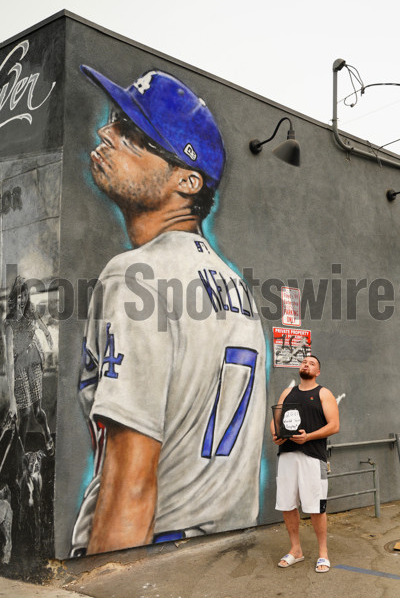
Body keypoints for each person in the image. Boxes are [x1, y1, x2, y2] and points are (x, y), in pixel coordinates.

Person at [70, 67, 267, 556]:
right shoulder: (235, 288)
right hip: (221, 559)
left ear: (187, 180)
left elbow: (129, 489)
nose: (106, 134)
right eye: (114, 121)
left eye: (133, 135)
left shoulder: (136, 277)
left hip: (150, 559)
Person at [270, 355, 339, 573]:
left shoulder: (323, 393)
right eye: (303, 362)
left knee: (316, 507)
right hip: (287, 455)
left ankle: (323, 554)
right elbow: (276, 420)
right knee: (287, 505)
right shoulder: (287, 392)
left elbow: (334, 425)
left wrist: (308, 436)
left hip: (312, 456)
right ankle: (296, 550)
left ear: (318, 372)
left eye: (311, 364)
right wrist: (275, 434)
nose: (306, 365)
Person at [3, 276, 54, 455]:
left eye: (24, 295)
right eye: (19, 296)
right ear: (13, 298)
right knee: (23, 415)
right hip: (18, 367)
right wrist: (12, 402)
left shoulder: (30, 311)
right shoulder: (9, 324)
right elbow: (9, 361)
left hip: (34, 361)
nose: (22, 300)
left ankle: (47, 434)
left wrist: (48, 334)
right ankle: (20, 457)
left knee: (37, 411)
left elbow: (41, 325)